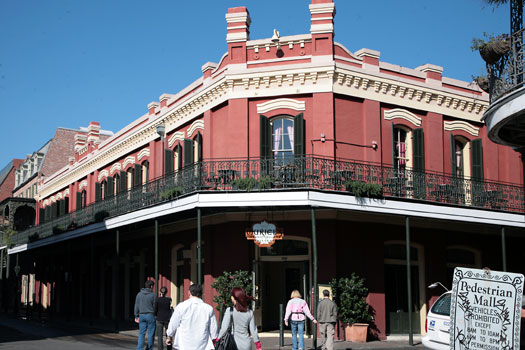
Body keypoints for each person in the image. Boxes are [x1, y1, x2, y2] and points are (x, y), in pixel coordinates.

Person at [166, 284, 217, 350]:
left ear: (189, 293)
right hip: (202, 344)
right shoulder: (208, 308)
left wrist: (169, 336)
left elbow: (173, 323)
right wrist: (214, 339)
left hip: (184, 344)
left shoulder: (181, 306)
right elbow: (213, 329)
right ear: (201, 294)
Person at [134, 280, 157, 350]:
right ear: (151, 286)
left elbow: (136, 305)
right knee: (151, 333)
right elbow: (155, 306)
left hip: (142, 315)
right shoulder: (153, 295)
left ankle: (140, 348)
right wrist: (155, 314)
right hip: (150, 315)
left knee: (141, 333)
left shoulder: (139, 294)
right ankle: (149, 348)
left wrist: (136, 315)